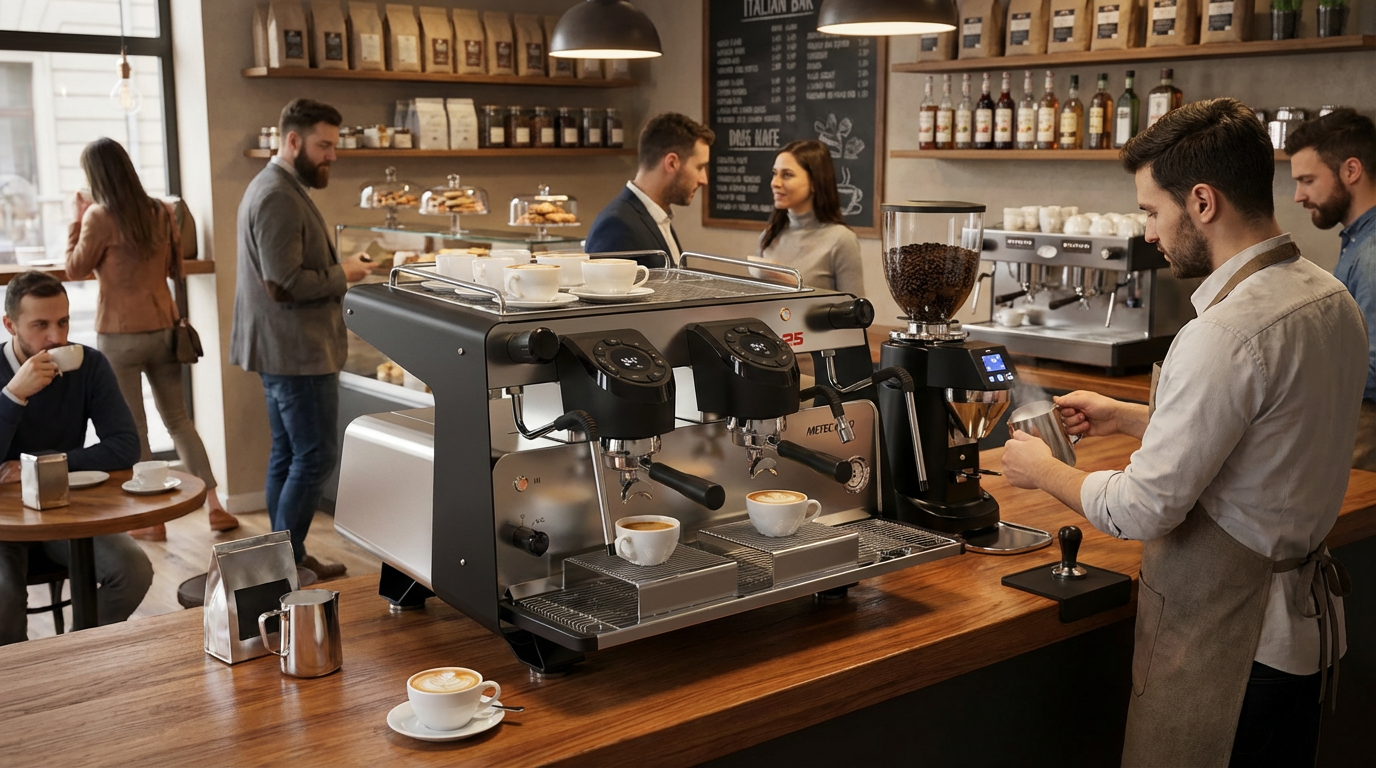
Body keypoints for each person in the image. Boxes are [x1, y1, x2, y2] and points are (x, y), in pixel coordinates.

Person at [1000, 99, 1364, 767]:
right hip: (1301, 639)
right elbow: (1271, 433)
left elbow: (1144, 507)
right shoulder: (1327, 297)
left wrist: (1039, 471)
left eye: (1150, 211)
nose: (1146, 233)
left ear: (1201, 202)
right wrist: (1131, 415)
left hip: (1233, 651)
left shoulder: (1223, 333)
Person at [65, 137, 238, 540]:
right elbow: (176, 265)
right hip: (164, 328)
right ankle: (215, 506)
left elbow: (74, 269)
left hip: (119, 334)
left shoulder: (99, 216)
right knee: (179, 420)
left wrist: (77, 217)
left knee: (135, 428)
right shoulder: (161, 211)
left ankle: (152, 520)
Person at [231, 98, 375, 581]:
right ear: (292, 141)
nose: (332, 155)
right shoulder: (276, 193)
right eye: (324, 145)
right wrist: (345, 272)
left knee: (288, 454)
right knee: (314, 457)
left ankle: (283, 555)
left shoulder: (279, 186)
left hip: (281, 348)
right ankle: (285, 563)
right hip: (296, 351)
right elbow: (284, 282)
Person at [0, 272, 148, 644]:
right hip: (2, 526)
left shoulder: (88, 365)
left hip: (64, 515)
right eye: (41, 325)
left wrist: (41, 467)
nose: (56, 338)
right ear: (9, 324)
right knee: (3, 599)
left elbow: (125, 445)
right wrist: (14, 396)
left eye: (63, 322)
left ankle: (76, 654)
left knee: (133, 570)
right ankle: (22, 690)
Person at [1285, 109, 1376, 472]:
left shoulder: (1370, 254)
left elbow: (1374, 364)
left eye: (1307, 180)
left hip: (1365, 425)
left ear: (1351, 170)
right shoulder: (1358, 240)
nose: (1297, 196)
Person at [585, 112, 714, 266]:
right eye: (699, 167)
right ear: (672, 163)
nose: (704, 180)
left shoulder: (658, 217)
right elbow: (605, 288)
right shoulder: (616, 225)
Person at [755, 139, 863, 295]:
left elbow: (856, 313)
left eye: (787, 175)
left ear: (814, 183)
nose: (775, 183)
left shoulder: (841, 240)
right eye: (774, 173)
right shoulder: (769, 236)